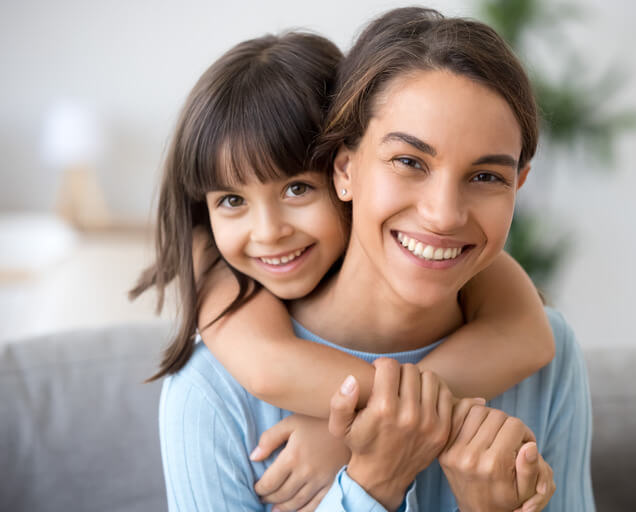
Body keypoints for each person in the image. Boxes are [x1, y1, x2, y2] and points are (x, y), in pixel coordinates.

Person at [134, 28, 559, 512]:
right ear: (345, 170)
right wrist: (372, 474)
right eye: (407, 161)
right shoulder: (211, 382)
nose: (269, 232)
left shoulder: (537, 340)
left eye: (296, 189)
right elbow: (267, 367)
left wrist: (354, 427)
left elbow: (533, 335)